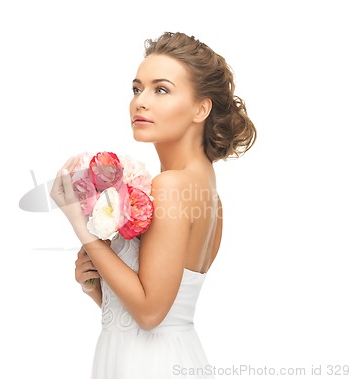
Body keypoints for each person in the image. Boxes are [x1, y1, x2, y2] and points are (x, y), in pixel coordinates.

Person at [51, 31, 256, 379]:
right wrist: (94, 288)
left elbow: (149, 314)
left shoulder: (172, 186)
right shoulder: (206, 189)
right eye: (136, 89)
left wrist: (80, 224)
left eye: (161, 89)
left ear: (201, 108)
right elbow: (159, 311)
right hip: (159, 354)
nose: (140, 102)